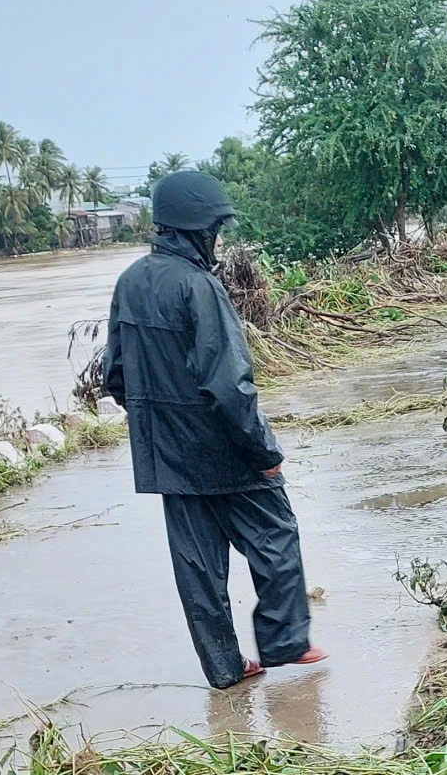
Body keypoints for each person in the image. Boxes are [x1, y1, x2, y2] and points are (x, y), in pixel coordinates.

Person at [101, 169, 327, 689]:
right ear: (197, 229)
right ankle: (285, 642)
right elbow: (229, 385)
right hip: (224, 448)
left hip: (168, 456)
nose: (219, 238)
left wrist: (160, 424)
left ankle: (225, 668)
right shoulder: (200, 286)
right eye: (216, 229)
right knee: (276, 534)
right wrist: (264, 450)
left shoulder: (130, 280)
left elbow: (114, 375)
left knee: (197, 564)